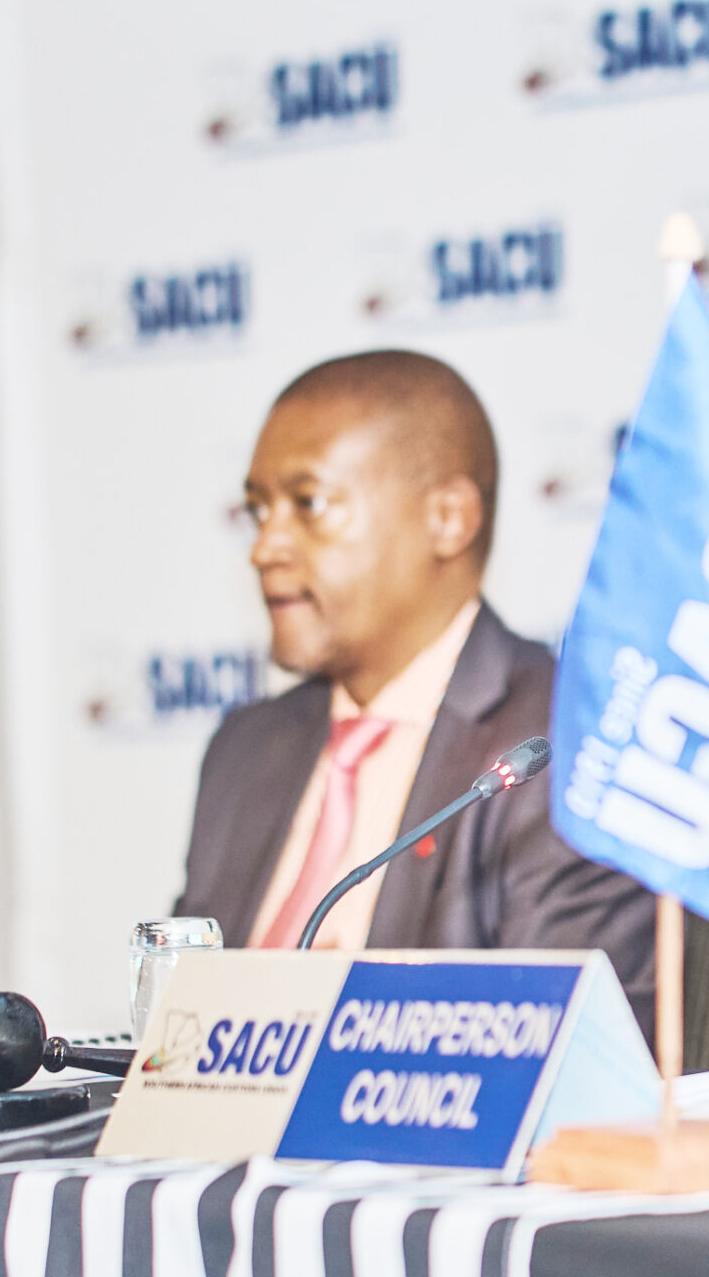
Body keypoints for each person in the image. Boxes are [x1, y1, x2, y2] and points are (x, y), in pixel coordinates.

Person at [175, 350, 658, 1031]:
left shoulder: (572, 747)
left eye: (308, 504)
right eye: (259, 510)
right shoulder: (245, 749)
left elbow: (557, 1055)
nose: (265, 547)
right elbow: (176, 1031)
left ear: (448, 519)